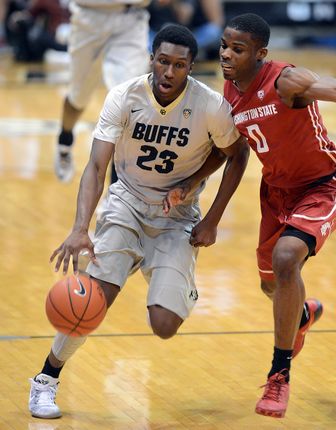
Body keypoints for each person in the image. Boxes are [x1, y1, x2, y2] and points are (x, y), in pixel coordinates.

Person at [29, 23, 249, 419]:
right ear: (151, 59)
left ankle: (178, 279)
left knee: (164, 325)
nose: (169, 72)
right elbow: (97, 166)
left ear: (191, 67)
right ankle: (45, 380)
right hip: (126, 205)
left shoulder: (211, 106)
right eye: (163, 61)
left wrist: (211, 214)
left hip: (176, 217)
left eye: (179, 65)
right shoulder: (125, 96)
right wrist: (80, 227)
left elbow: (236, 153)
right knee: (91, 303)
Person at [218, 13, 336, 419]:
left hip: (323, 187)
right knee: (273, 286)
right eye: (225, 46)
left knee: (286, 261)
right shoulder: (230, 89)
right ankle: (300, 316)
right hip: (276, 193)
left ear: (261, 54)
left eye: (238, 49)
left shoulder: (286, 81)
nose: (227, 55)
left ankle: (278, 376)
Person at [55, 0, 154, 184]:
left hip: (131, 17)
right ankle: (65, 139)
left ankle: (116, 193)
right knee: (78, 97)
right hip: (89, 17)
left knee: (126, 100)